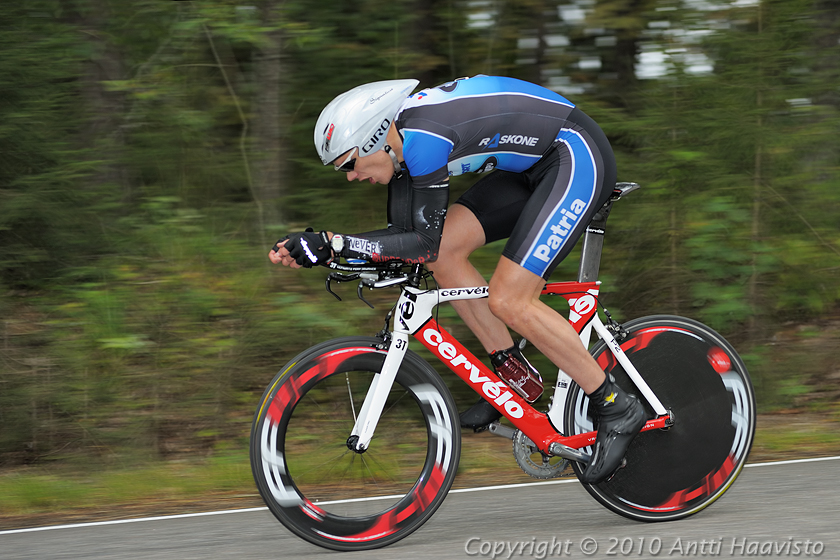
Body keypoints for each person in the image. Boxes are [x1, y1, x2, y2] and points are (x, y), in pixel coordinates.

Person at [269, 75, 645, 484]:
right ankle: (513, 382)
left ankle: (616, 405)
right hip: (533, 165)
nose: (349, 176)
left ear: (376, 137)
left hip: (574, 154)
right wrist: (321, 249)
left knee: (510, 299)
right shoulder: (399, 150)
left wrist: (335, 243)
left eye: (348, 164)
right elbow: (404, 242)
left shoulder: (423, 140)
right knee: (446, 255)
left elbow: (420, 243)